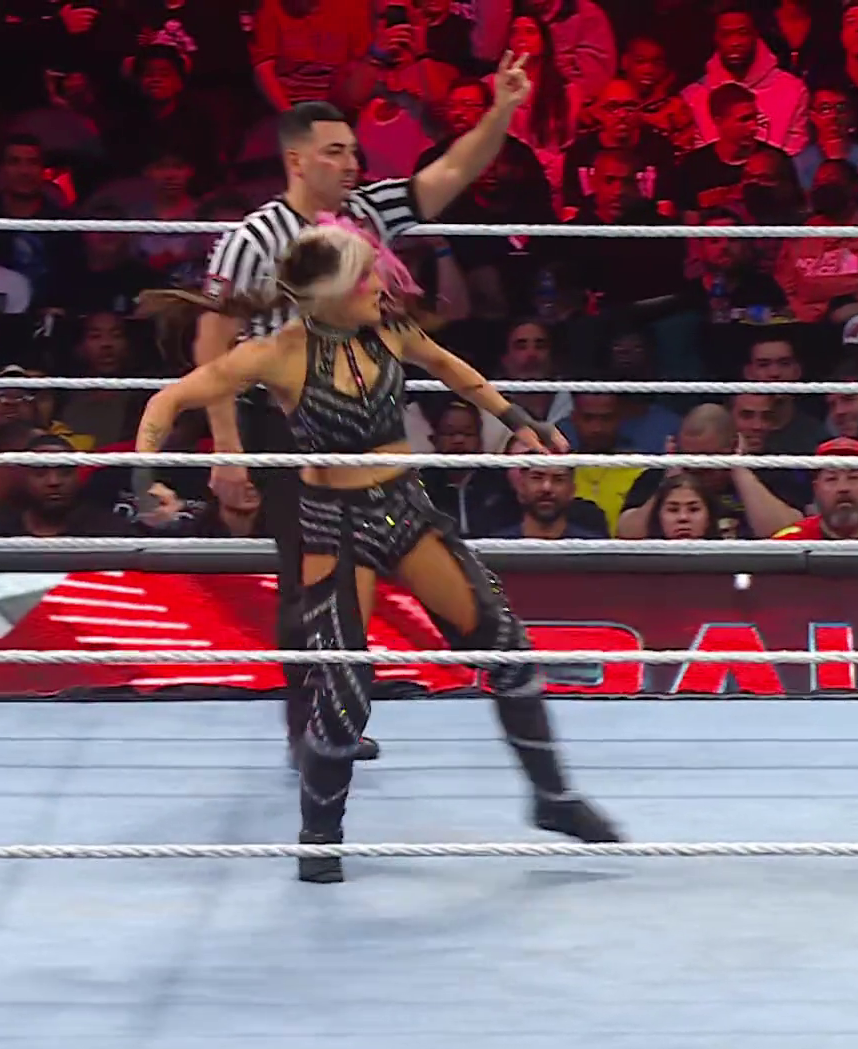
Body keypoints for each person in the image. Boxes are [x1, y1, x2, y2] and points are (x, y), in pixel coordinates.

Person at [136, 219, 622, 884]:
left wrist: (519, 420)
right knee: (344, 685)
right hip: (333, 524)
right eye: (366, 276)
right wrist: (143, 477)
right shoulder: (278, 353)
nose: (380, 283)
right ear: (331, 292)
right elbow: (168, 400)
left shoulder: (390, 331)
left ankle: (553, 797)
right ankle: (319, 834)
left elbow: (450, 368)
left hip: (404, 508)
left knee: (505, 644)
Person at [195, 54, 536, 766]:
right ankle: (312, 729)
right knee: (310, 572)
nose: (351, 163)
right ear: (296, 160)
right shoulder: (254, 238)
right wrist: (228, 449)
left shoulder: (370, 211)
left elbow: (450, 172)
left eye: (354, 151)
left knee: (370, 563)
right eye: (335, 152)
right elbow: (212, 343)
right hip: (283, 419)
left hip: (365, 414)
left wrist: (503, 109)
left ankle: (341, 711)